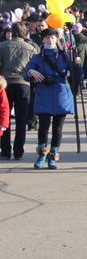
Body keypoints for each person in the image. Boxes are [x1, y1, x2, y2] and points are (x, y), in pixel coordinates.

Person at [26, 28, 75, 170]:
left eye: (53, 37)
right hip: (44, 94)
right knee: (43, 127)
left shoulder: (64, 56)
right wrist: (31, 72)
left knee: (57, 129)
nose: (50, 40)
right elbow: (26, 72)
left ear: (57, 39)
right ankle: (42, 154)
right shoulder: (37, 57)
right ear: (42, 39)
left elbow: (77, 75)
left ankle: (53, 155)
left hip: (61, 94)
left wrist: (77, 64)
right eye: (47, 37)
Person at [0, 23, 38, 161]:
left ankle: (5, 150)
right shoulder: (31, 48)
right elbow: (35, 67)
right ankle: (18, 151)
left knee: (4, 118)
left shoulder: (2, 46)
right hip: (23, 84)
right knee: (21, 120)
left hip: (5, 83)